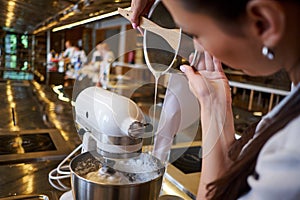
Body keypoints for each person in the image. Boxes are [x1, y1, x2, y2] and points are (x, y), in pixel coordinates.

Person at [130, 0, 300, 200]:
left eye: (195, 34)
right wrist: (212, 104)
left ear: (264, 23)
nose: (195, 46)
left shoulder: (292, 151)